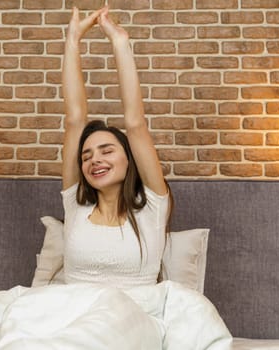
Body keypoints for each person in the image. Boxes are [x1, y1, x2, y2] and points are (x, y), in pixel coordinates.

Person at [61, 6, 172, 288]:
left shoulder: (152, 209)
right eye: (86, 156)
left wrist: (119, 43)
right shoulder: (76, 206)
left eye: (107, 151)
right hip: (71, 317)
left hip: (131, 319)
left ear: (129, 159)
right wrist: (73, 40)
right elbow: (75, 120)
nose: (94, 160)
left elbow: (135, 123)